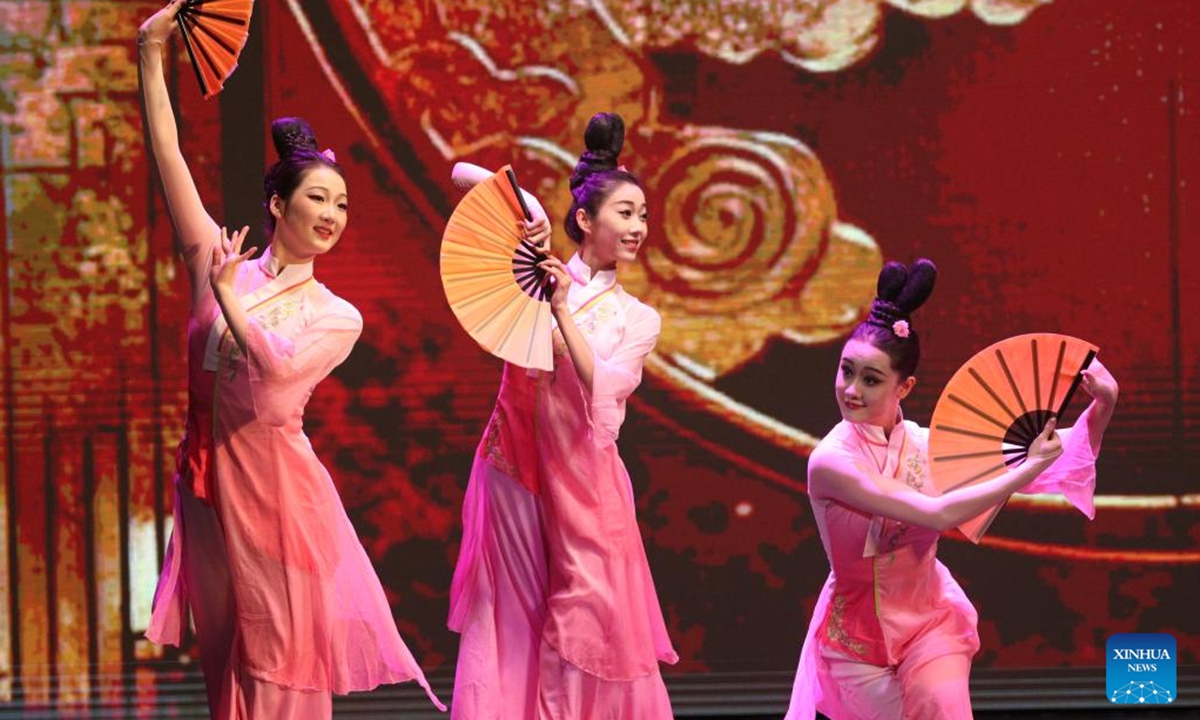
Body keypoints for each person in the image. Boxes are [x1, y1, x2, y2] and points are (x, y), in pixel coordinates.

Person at [137, 2, 444, 716]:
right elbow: (168, 152)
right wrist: (152, 53)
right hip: (209, 489)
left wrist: (230, 303)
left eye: (342, 203)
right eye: (319, 198)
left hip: (279, 500)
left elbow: (275, 378)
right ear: (277, 203)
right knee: (229, 676)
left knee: (280, 669)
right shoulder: (222, 260)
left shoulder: (336, 315)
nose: (334, 215)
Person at [785, 259, 1118, 720]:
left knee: (942, 706)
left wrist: (1103, 403)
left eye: (871, 379)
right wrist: (1023, 472)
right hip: (858, 642)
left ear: (905, 387)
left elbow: (1049, 460)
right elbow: (938, 514)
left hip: (929, 621)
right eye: (846, 371)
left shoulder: (926, 446)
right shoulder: (831, 462)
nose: (851, 390)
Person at [448, 113, 678, 720]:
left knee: (589, 617)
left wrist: (563, 314)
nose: (638, 227)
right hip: (516, 467)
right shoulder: (532, 268)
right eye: (625, 213)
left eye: (643, 216)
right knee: (514, 617)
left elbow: (606, 390)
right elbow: (461, 174)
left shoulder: (638, 319)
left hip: (585, 478)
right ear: (585, 220)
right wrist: (533, 215)